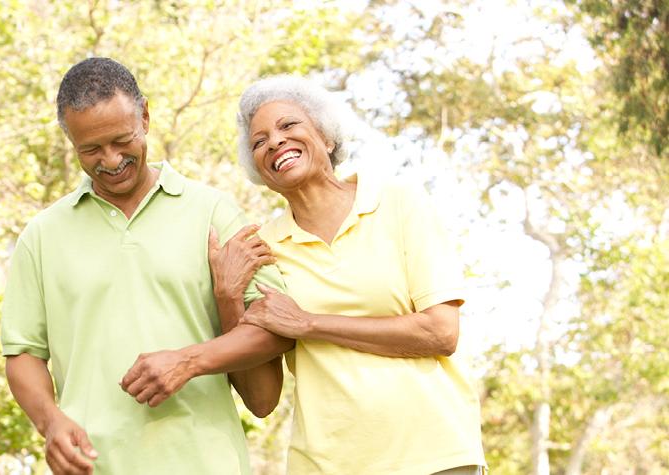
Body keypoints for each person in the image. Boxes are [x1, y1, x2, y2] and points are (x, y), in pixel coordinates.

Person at [0, 57, 291, 474]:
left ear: (146, 117)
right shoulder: (42, 235)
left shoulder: (212, 211)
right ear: (71, 142)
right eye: (91, 149)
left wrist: (189, 360)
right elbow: (23, 353)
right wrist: (51, 421)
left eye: (122, 140)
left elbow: (276, 329)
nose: (111, 159)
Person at [193, 75, 486, 474]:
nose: (275, 142)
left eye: (288, 125)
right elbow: (261, 402)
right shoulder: (263, 249)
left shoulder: (398, 203)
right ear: (259, 169)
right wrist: (227, 296)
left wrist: (309, 324)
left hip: (434, 456)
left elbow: (440, 332)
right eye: (258, 141)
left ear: (327, 138)